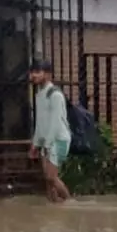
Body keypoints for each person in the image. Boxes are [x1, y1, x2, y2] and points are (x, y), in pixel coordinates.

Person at [28, 59, 72, 203]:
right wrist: (36, 144)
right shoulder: (40, 95)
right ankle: (54, 207)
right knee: (48, 181)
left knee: (51, 177)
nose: (33, 75)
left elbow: (55, 122)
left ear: (47, 74)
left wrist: (46, 145)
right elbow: (40, 123)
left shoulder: (55, 95)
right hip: (46, 141)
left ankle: (70, 203)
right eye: (32, 72)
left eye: (37, 72)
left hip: (58, 139)